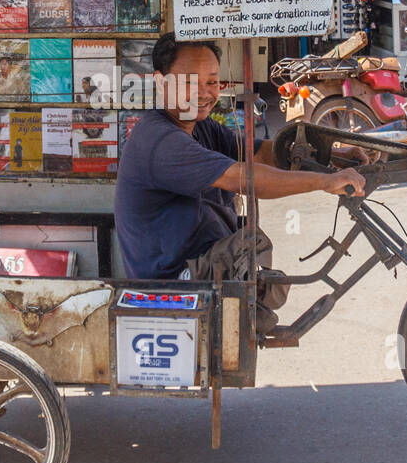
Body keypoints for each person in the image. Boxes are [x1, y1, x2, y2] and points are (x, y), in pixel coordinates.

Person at [114, 33, 366, 335]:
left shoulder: (198, 126)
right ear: (161, 82)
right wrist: (325, 182)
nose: (205, 93)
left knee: (256, 258)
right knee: (252, 253)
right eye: (191, 83)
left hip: (198, 260)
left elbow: (257, 151)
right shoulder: (159, 140)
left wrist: (334, 156)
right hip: (172, 283)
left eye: (211, 82)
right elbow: (242, 177)